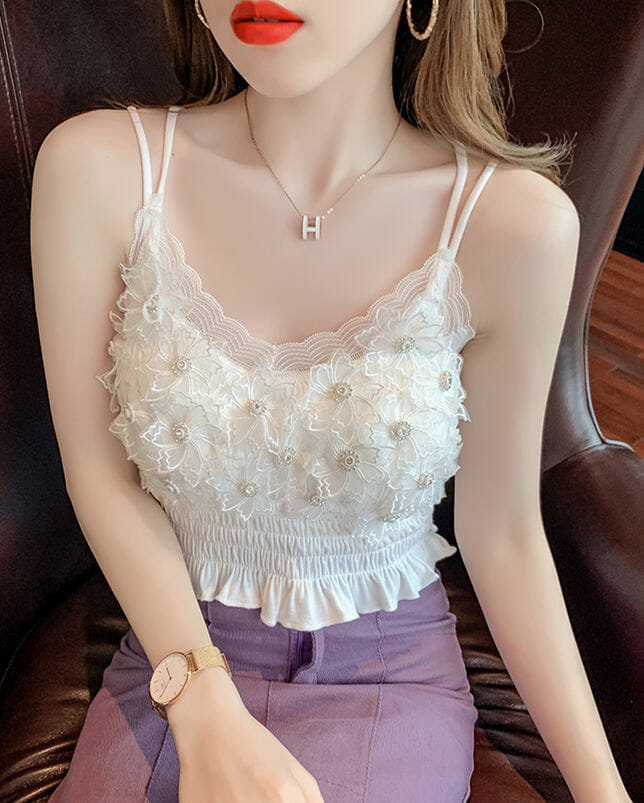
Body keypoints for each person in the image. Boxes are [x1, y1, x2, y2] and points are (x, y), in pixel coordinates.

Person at [30, 0, 632, 801]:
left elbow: (504, 534)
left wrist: (602, 790)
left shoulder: (512, 227)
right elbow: (100, 477)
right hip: (173, 645)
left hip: (387, 674)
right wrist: (201, 698)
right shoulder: (99, 170)